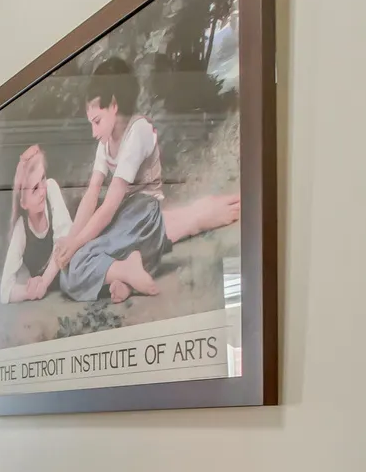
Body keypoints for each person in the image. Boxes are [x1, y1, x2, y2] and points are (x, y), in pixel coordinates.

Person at [45, 56, 240, 303]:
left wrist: (75, 244)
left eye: (97, 121)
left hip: (143, 217)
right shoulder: (105, 144)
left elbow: (110, 203)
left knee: (80, 258)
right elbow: (92, 195)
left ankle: (125, 271)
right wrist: (72, 240)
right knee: (68, 274)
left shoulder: (138, 132)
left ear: (113, 105)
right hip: (123, 218)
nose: (94, 132)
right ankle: (126, 275)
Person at [0, 144, 74, 302]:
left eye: (43, 178)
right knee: (70, 282)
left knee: (80, 266)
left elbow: (64, 245)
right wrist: (29, 291)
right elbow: (5, 291)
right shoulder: (22, 229)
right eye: (34, 189)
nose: (42, 192)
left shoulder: (51, 188)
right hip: (59, 283)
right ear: (23, 203)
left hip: (71, 261)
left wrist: (43, 283)